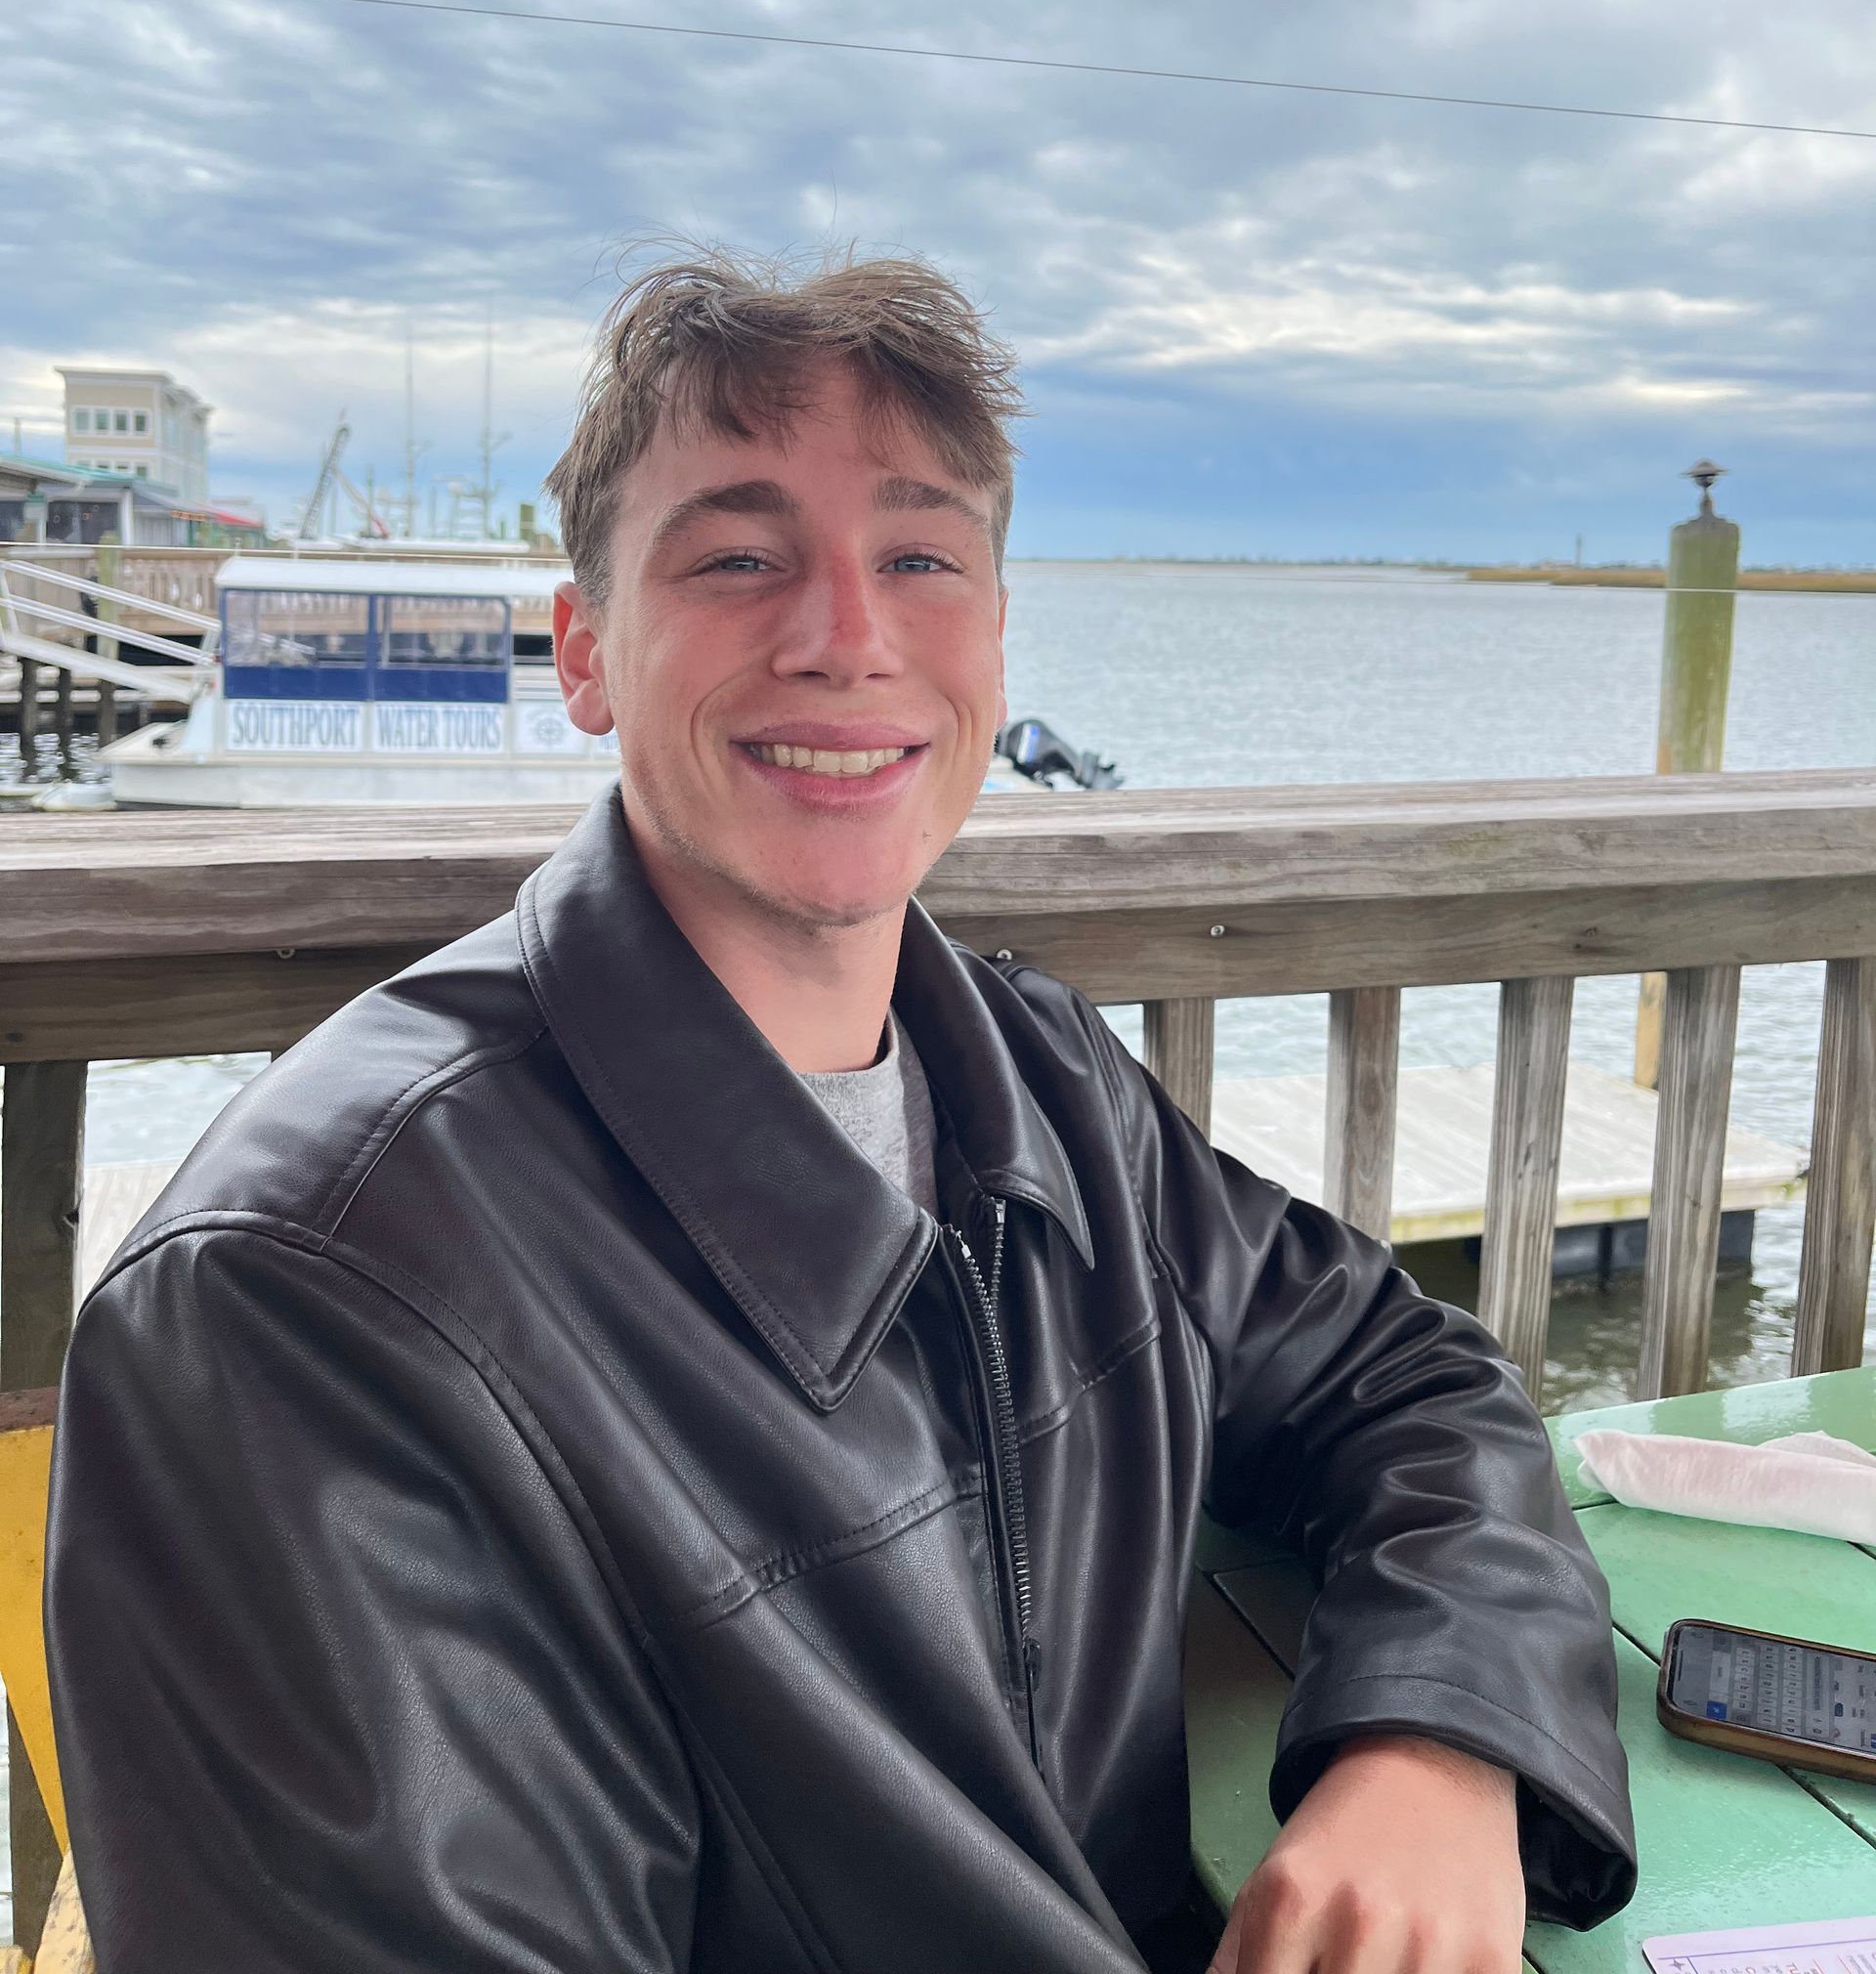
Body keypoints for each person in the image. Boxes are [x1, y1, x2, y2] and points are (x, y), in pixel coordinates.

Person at [47, 250, 1636, 1973]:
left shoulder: (1039, 1084)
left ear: (994, 639)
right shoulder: (310, 1301)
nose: (848, 636)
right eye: (738, 556)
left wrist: (1433, 1745)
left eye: (921, 557)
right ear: (587, 650)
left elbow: (1412, 1381)